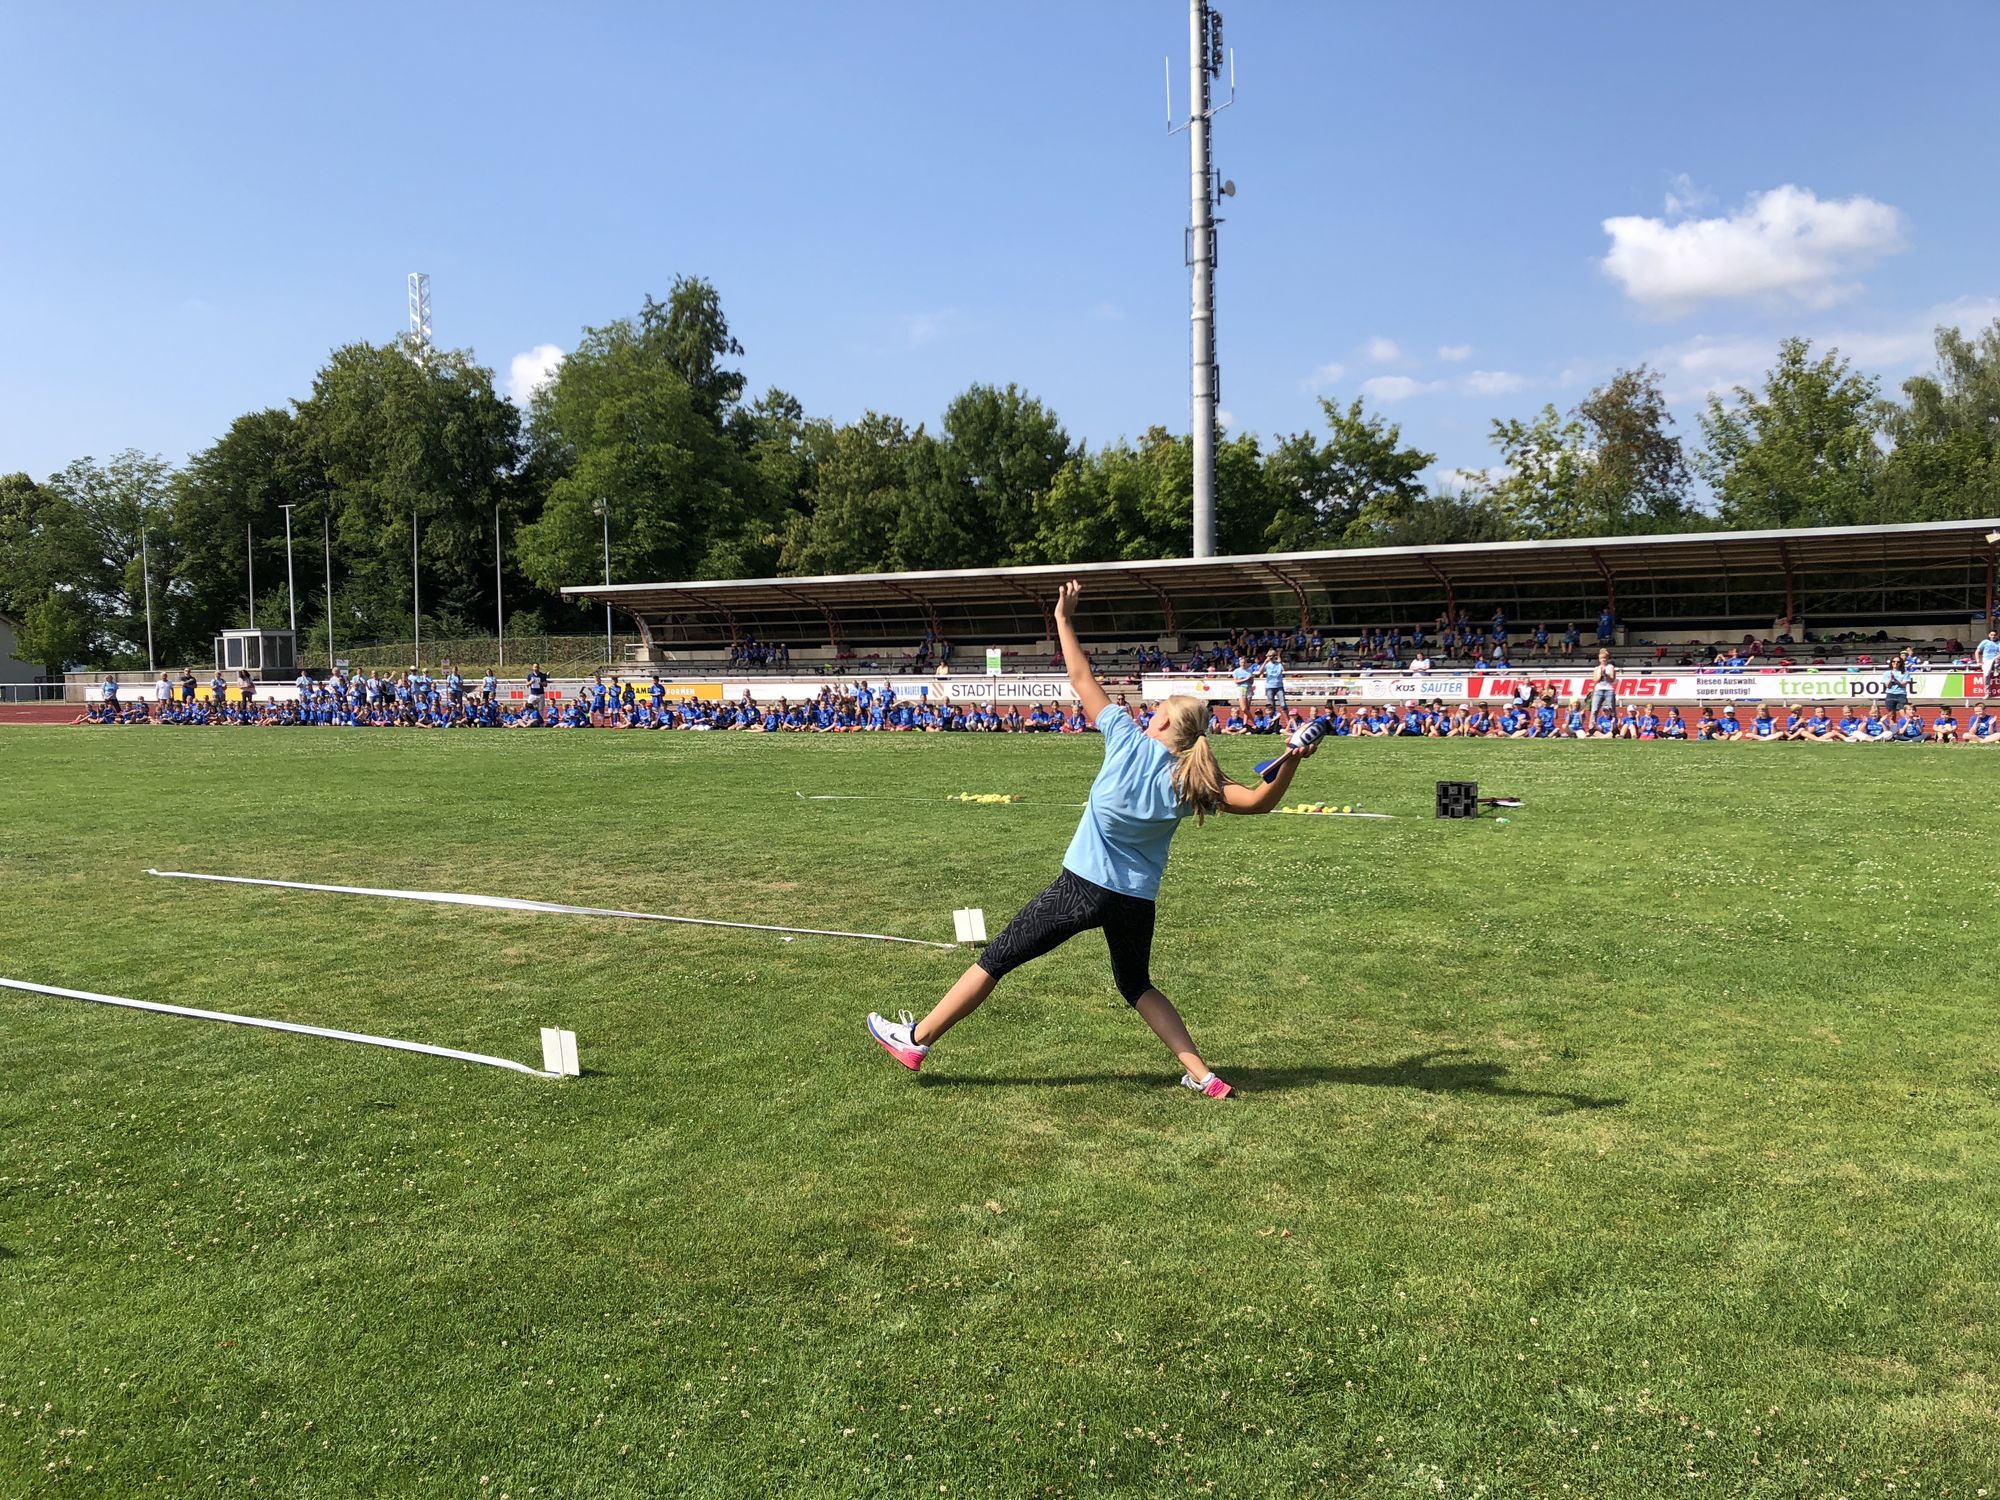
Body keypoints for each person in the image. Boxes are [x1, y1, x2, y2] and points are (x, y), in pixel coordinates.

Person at [867, 580, 1318, 1100]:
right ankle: (1202, 1074)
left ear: (1162, 720)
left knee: (998, 958)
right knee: (1137, 985)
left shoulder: (1125, 739)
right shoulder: (1192, 778)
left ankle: (916, 1040)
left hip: (1080, 888)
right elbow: (1259, 802)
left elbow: (1079, 675)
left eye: (1156, 709)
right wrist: (1291, 762)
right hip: (1136, 901)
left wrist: (1063, 618)